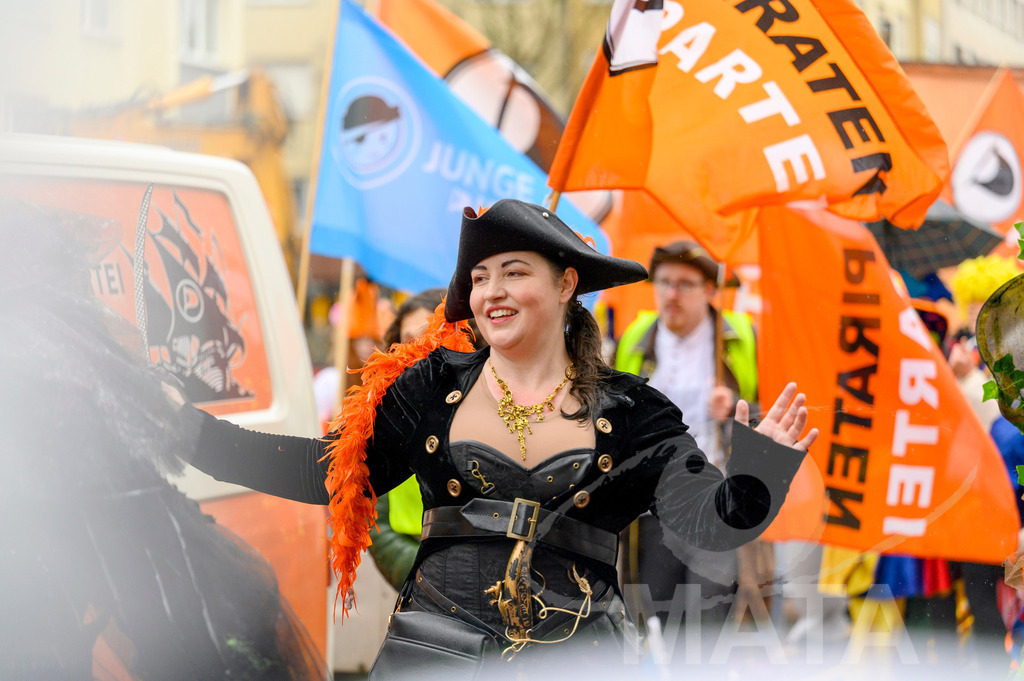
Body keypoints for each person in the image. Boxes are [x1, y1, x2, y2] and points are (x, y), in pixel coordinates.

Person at [177, 200, 817, 678]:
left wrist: (763, 467)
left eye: (513, 272)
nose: (492, 292)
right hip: (435, 658)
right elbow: (319, 474)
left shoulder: (634, 412)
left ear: (566, 284)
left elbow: (714, 524)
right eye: (480, 277)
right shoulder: (430, 386)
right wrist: (179, 428)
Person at [615, 241, 768, 632]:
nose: (671, 294)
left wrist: (736, 407)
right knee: (656, 617)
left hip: (715, 503)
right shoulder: (635, 339)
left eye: (684, 284)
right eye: (664, 282)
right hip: (653, 508)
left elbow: (770, 416)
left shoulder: (741, 339)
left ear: (709, 290)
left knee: (708, 618)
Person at [369, 287, 486, 590]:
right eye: (407, 341)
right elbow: (376, 517)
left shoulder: (491, 408)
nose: (418, 351)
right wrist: (423, 573)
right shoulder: (391, 415)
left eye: (431, 337)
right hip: (414, 580)